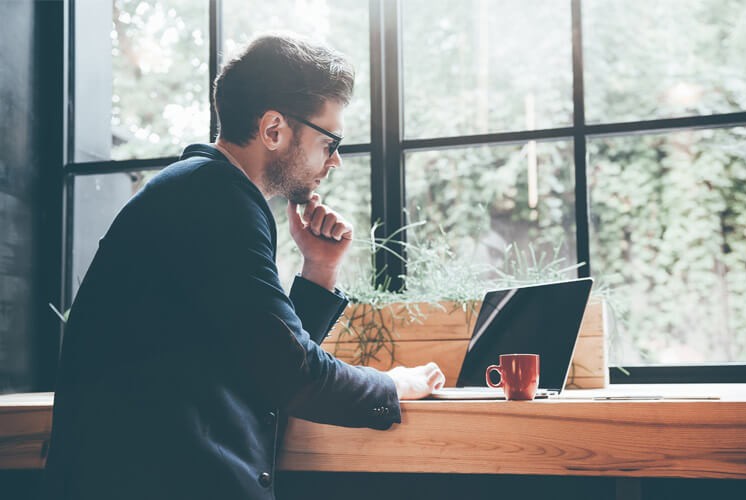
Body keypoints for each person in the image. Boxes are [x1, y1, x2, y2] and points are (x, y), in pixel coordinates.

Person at [42, 33, 445, 500]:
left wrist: (318, 266)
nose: (335, 161)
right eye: (330, 140)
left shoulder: (201, 189)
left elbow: (265, 360)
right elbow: (292, 375)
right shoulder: (215, 199)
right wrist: (393, 384)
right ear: (274, 129)